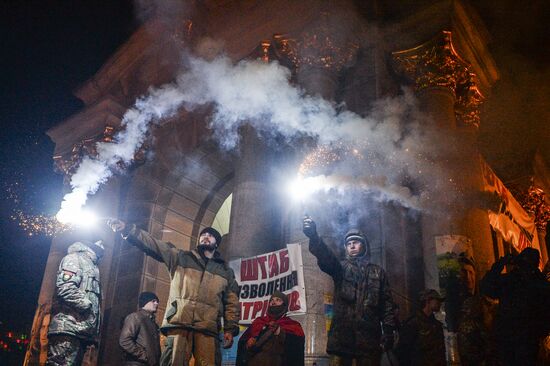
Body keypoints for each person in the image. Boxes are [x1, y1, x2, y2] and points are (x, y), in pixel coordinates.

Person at [108, 219, 240, 366]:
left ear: (216, 243)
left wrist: (230, 329)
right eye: (203, 235)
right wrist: (128, 230)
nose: (206, 237)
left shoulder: (226, 272)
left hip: (207, 329)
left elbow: (232, 303)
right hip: (179, 324)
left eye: (210, 235)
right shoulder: (180, 257)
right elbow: (154, 245)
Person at [302, 216, 396, 366]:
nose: (351, 246)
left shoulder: (378, 272)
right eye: (348, 244)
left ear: (364, 245)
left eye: (356, 242)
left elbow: (387, 305)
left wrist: (389, 331)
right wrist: (314, 236)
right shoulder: (340, 268)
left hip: (369, 339)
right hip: (342, 339)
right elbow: (326, 257)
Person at [480, 247, 550, 366]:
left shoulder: (514, 281)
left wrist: (500, 264)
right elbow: (486, 287)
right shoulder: (514, 281)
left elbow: (486, 287)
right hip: (517, 340)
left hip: (520, 340)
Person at [46, 239, 104, 366]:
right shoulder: (74, 258)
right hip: (68, 328)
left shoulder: (92, 265)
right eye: (101, 242)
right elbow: (65, 287)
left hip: (80, 331)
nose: (104, 246)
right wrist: (87, 307)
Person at [236, 290, 305, 366]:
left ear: (284, 305)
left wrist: (280, 332)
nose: (273, 302)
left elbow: (297, 348)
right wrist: (247, 344)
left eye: (278, 300)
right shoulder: (259, 322)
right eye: (272, 300)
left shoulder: (292, 325)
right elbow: (242, 343)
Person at [394, 289, 446, 366]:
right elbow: (403, 351)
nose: (440, 303)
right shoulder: (412, 324)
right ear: (428, 301)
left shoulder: (436, 325)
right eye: (437, 300)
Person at [119, 292, 162, 366]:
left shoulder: (153, 323)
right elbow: (125, 341)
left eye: (157, 301)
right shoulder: (135, 317)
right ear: (145, 302)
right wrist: (145, 356)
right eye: (153, 301)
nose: (156, 303)